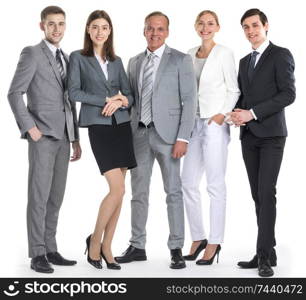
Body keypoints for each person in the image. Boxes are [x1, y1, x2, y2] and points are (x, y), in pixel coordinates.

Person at [115, 11, 197, 269]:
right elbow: (131, 101)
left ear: (167, 32)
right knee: (138, 193)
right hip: (139, 133)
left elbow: (190, 101)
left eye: (160, 29)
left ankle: (176, 247)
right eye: (150, 28)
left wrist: (183, 137)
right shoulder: (135, 61)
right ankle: (137, 245)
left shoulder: (181, 60)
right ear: (143, 30)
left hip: (170, 137)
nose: (155, 33)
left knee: (173, 192)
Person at [7, 6, 82, 274]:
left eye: (61, 24)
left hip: (64, 136)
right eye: (51, 24)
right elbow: (15, 93)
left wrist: (75, 138)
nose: (57, 29)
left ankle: (51, 248)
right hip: (42, 136)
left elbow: (70, 101)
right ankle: (37, 253)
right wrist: (30, 128)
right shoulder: (32, 53)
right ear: (42, 26)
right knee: (38, 196)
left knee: (56, 196)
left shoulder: (69, 58)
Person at [68, 10, 136, 270]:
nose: (100, 32)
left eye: (104, 27)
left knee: (121, 192)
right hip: (98, 126)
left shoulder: (117, 61)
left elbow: (129, 95)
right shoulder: (79, 58)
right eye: (95, 27)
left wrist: (120, 100)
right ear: (88, 29)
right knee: (116, 189)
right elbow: (74, 91)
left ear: (110, 31)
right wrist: (106, 100)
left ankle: (108, 246)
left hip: (121, 126)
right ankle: (94, 241)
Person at [229, 8, 295, 277]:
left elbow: (288, 94)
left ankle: (264, 256)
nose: (251, 31)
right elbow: (243, 96)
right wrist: (233, 113)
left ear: (266, 26)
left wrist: (252, 113)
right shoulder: (245, 61)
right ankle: (268, 249)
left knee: (267, 193)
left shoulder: (281, 54)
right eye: (246, 27)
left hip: (272, 136)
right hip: (249, 137)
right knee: (258, 195)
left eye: (255, 25)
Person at [181, 10, 240, 265]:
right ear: (196, 26)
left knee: (215, 185)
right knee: (188, 183)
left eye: (210, 23)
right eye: (201, 23)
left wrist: (221, 116)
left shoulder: (224, 53)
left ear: (217, 26)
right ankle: (198, 237)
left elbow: (233, 88)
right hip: (191, 125)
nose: (205, 27)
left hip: (214, 124)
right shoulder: (189, 53)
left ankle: (215, 241)